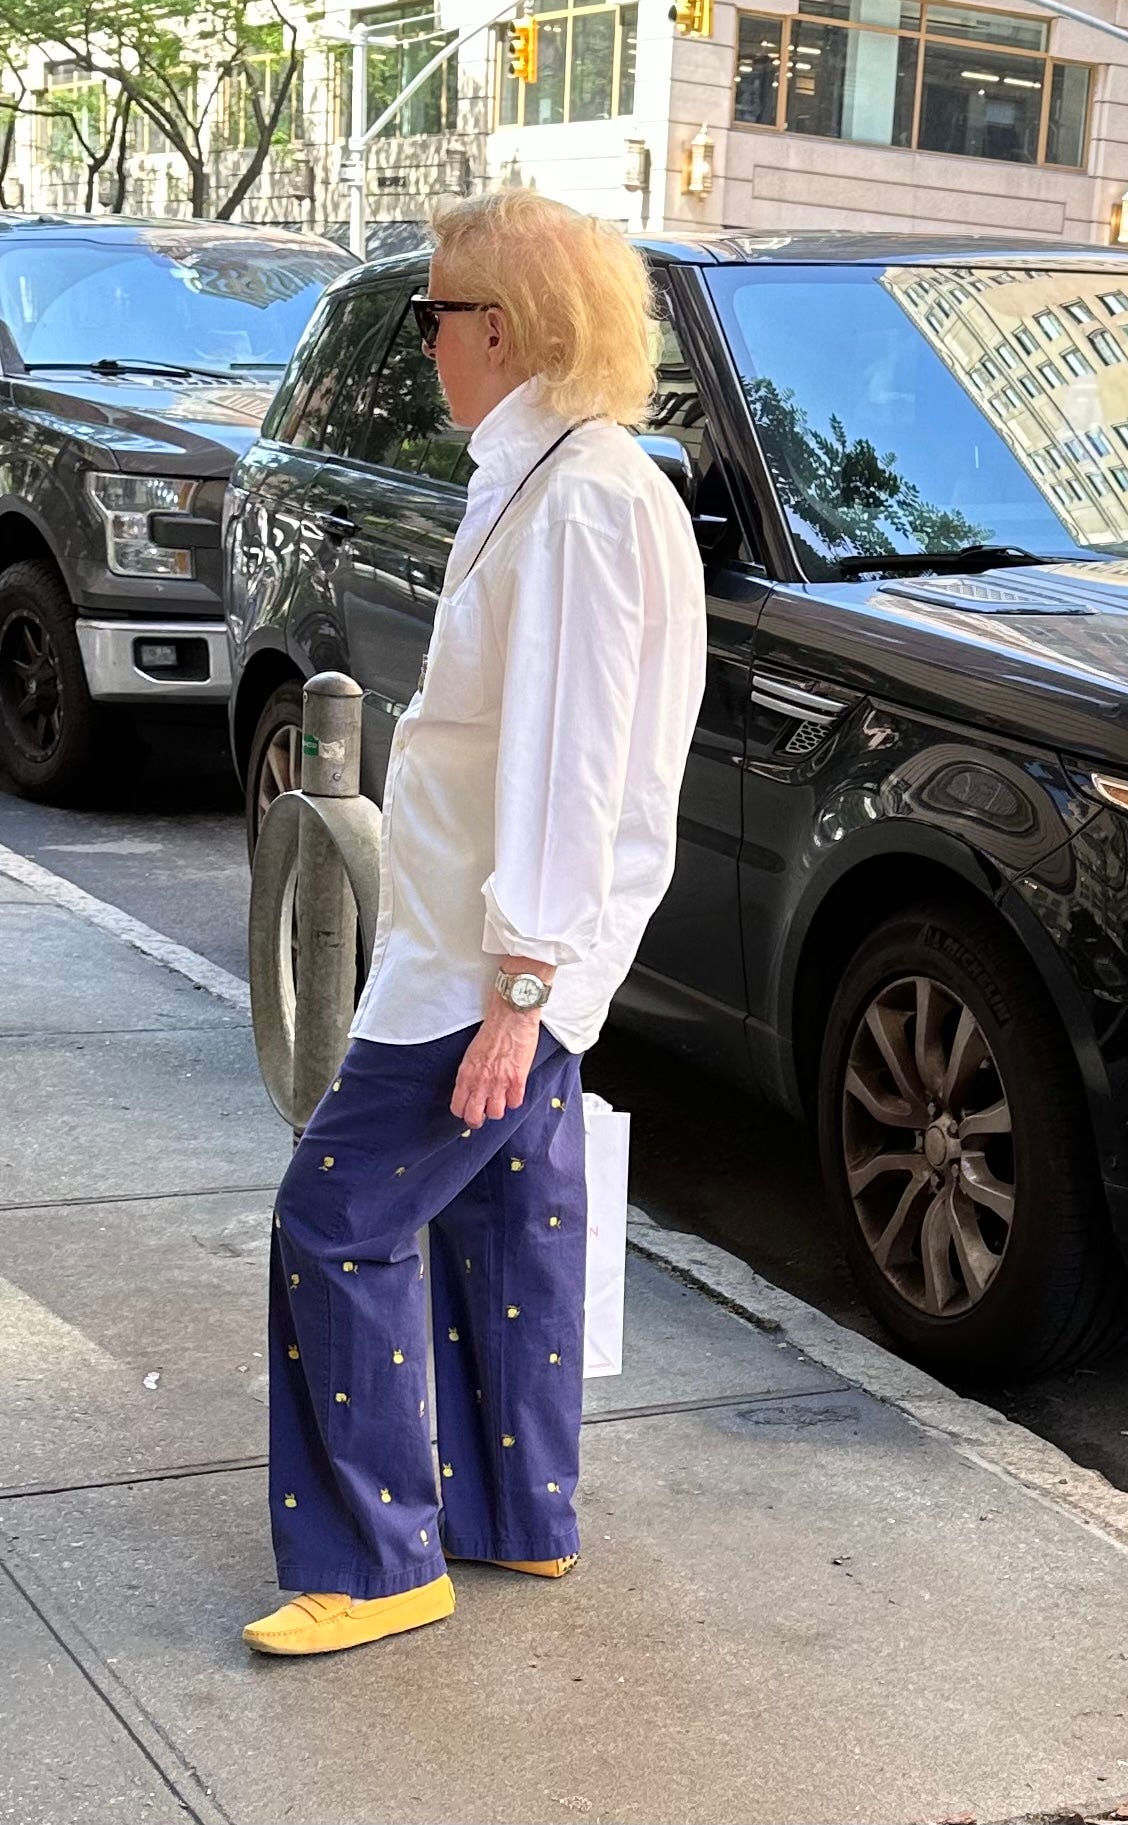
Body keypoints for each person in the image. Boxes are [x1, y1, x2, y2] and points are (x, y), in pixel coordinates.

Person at [242, 190, 707, 1656]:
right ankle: (516, 1512)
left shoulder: (579, 498)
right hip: (496, 947)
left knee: (334, 1220)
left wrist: (519, 985)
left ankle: (377, 1562)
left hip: (480, 962)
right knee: (510, 1221)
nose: (425, 340)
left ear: (498, 327)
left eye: (432, 314)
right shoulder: (563, 476)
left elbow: (574, 760)